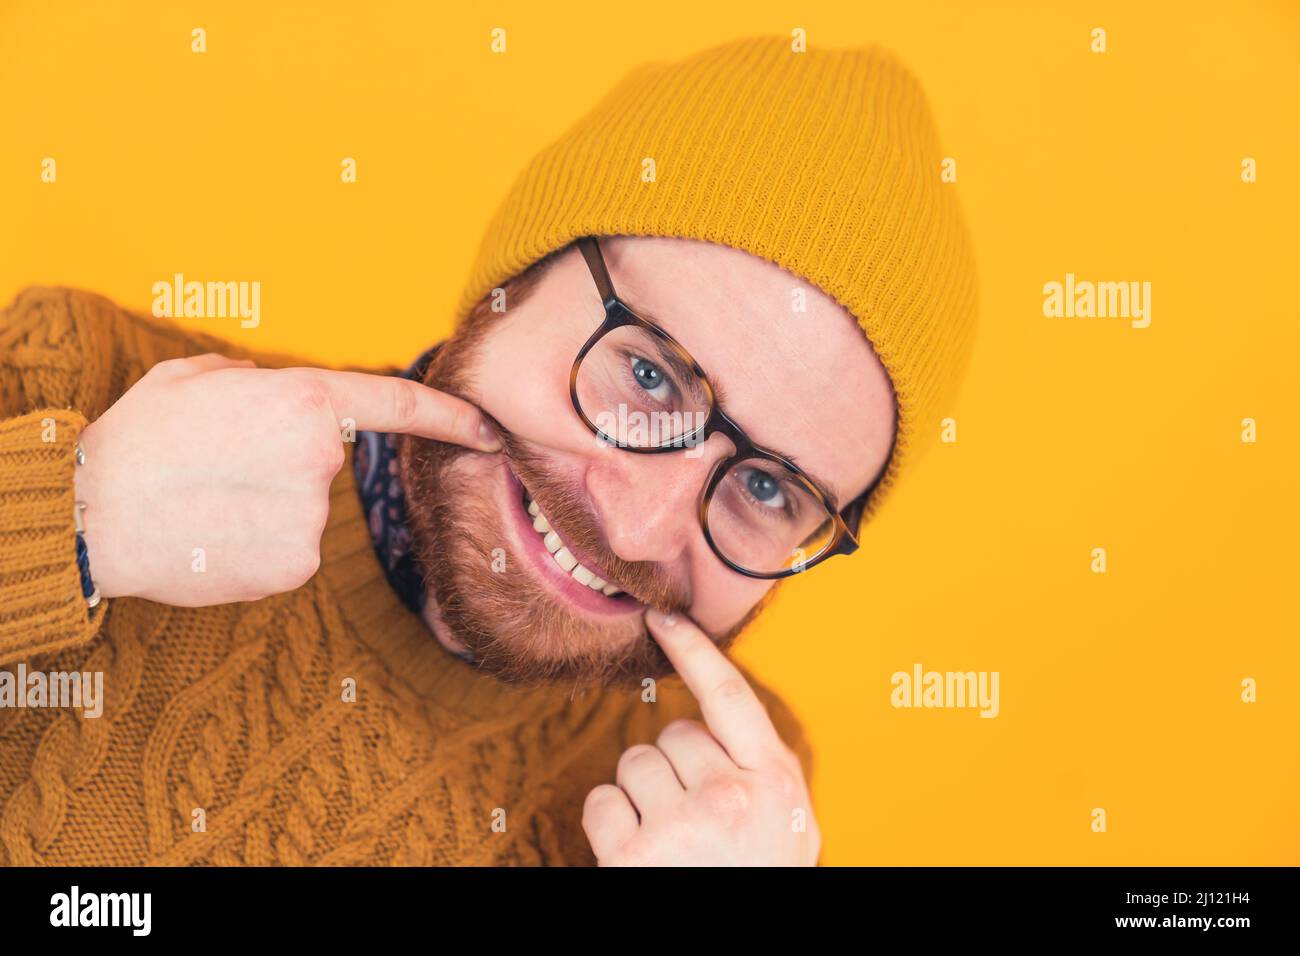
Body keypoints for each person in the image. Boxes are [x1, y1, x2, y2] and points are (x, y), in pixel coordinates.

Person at [0, 35, 976, 865]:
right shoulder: (84, 391)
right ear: (505, 285)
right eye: (646, 377)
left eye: (767, 485)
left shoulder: (719, 794)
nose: (637, 524)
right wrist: (69, 521)